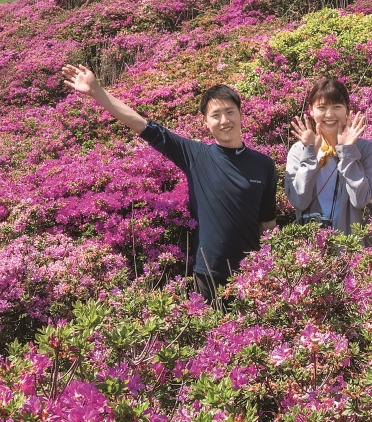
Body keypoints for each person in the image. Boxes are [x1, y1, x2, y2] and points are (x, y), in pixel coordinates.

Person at [61, 64, 277, 306]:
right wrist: (97, 92)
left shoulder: (264, 165)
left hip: (252, 275)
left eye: (230, 112)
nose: (224, 120)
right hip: (209, 273)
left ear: (240, 114)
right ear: (206, 121)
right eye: (216, 115)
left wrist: (269, 267)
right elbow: (145, 127)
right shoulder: (195, 155)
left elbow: (268, 224)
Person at [285, 77, 372, 235]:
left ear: (347, 110)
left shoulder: (365, 149)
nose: (329, 114)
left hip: (349, 246)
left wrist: (347, 151)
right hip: (311, 248)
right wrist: (310, 152)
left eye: (337, 106)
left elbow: (361, 200)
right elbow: (299, 201)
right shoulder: (298, 150)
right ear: (311, 110)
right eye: (322, 107)